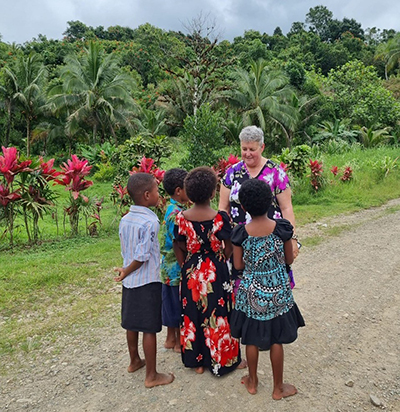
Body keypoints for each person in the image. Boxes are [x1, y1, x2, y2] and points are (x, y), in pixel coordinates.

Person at [230, 179, 305, 398]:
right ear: (271, 202)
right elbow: (288, 259)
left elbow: (238, 266)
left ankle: (252, 382)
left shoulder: (241, 234)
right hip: (278, 293)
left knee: (251, 339)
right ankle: (278, 388)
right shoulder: (282, 229)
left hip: (251, 293)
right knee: (276, 340)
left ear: (243, 207)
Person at [174, 166, 242, 376]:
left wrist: (187, 265)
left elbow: (178, 245)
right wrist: (220, 259)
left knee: (193, 313)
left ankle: (198, 361)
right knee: (218, 314)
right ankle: (221, 358)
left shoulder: (181, 218)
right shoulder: (221, 218)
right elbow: (229, 245)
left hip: (191, 272)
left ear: (189, 193)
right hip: (217, 271)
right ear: (213, 192)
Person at [218, 125, 299, 290]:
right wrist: (223, 239)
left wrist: (292, 239)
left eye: (252, 149)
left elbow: (286, 208)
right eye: (244, 148)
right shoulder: (232, 173)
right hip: (239, 244)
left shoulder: (276, 172)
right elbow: (223, 209)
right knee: (240, 291)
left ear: (262, 147)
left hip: (270, 243)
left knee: (273, 288)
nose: (247, 153)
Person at [114, 172, 174, 388]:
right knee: (149, 328)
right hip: (146, 281)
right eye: (157, 191)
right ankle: (151, 375)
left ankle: (134, 361)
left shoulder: (125, 219)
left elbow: (128, 250)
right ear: (147, 195)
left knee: (132, 323)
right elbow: (141, 256)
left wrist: (124, 272)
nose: (159, 194)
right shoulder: (150, 221)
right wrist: (127, 271)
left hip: (130, 284)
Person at [160, 168, 189, 353]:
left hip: (166, 267)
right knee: (178, 303)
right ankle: (179, 342)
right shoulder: (178, 214)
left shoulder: (170, 208)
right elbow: (180, 242)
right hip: (176, 268)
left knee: (169, 302)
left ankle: (170, 338)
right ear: (179, 191)